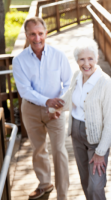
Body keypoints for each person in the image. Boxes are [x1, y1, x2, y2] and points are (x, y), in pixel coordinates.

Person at [48, 38, 111, 200]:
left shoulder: (106, 84)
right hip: (76, 134)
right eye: (82, 59)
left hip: (97, 141)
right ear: (77, 61)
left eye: (90, 59)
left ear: (96, 59)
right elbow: (70, 97)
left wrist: (100, 152)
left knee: (96, 186)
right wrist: (53, 108)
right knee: (85, 181)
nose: (86, 64)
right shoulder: (77, 76)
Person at [12, 17, 72, 200]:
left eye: (40, 33)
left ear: (46, 33)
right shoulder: (19, 60)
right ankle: (45, 184)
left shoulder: (59, 56)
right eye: (32, 34)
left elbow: (68, 83)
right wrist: (47, 101)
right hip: (31, 110)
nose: (37, 38)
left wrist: (59, 105)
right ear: (27, 35)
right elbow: (24, 90)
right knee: (38, 149)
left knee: (59, 151)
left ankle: (63, 195)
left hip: (56, 110)